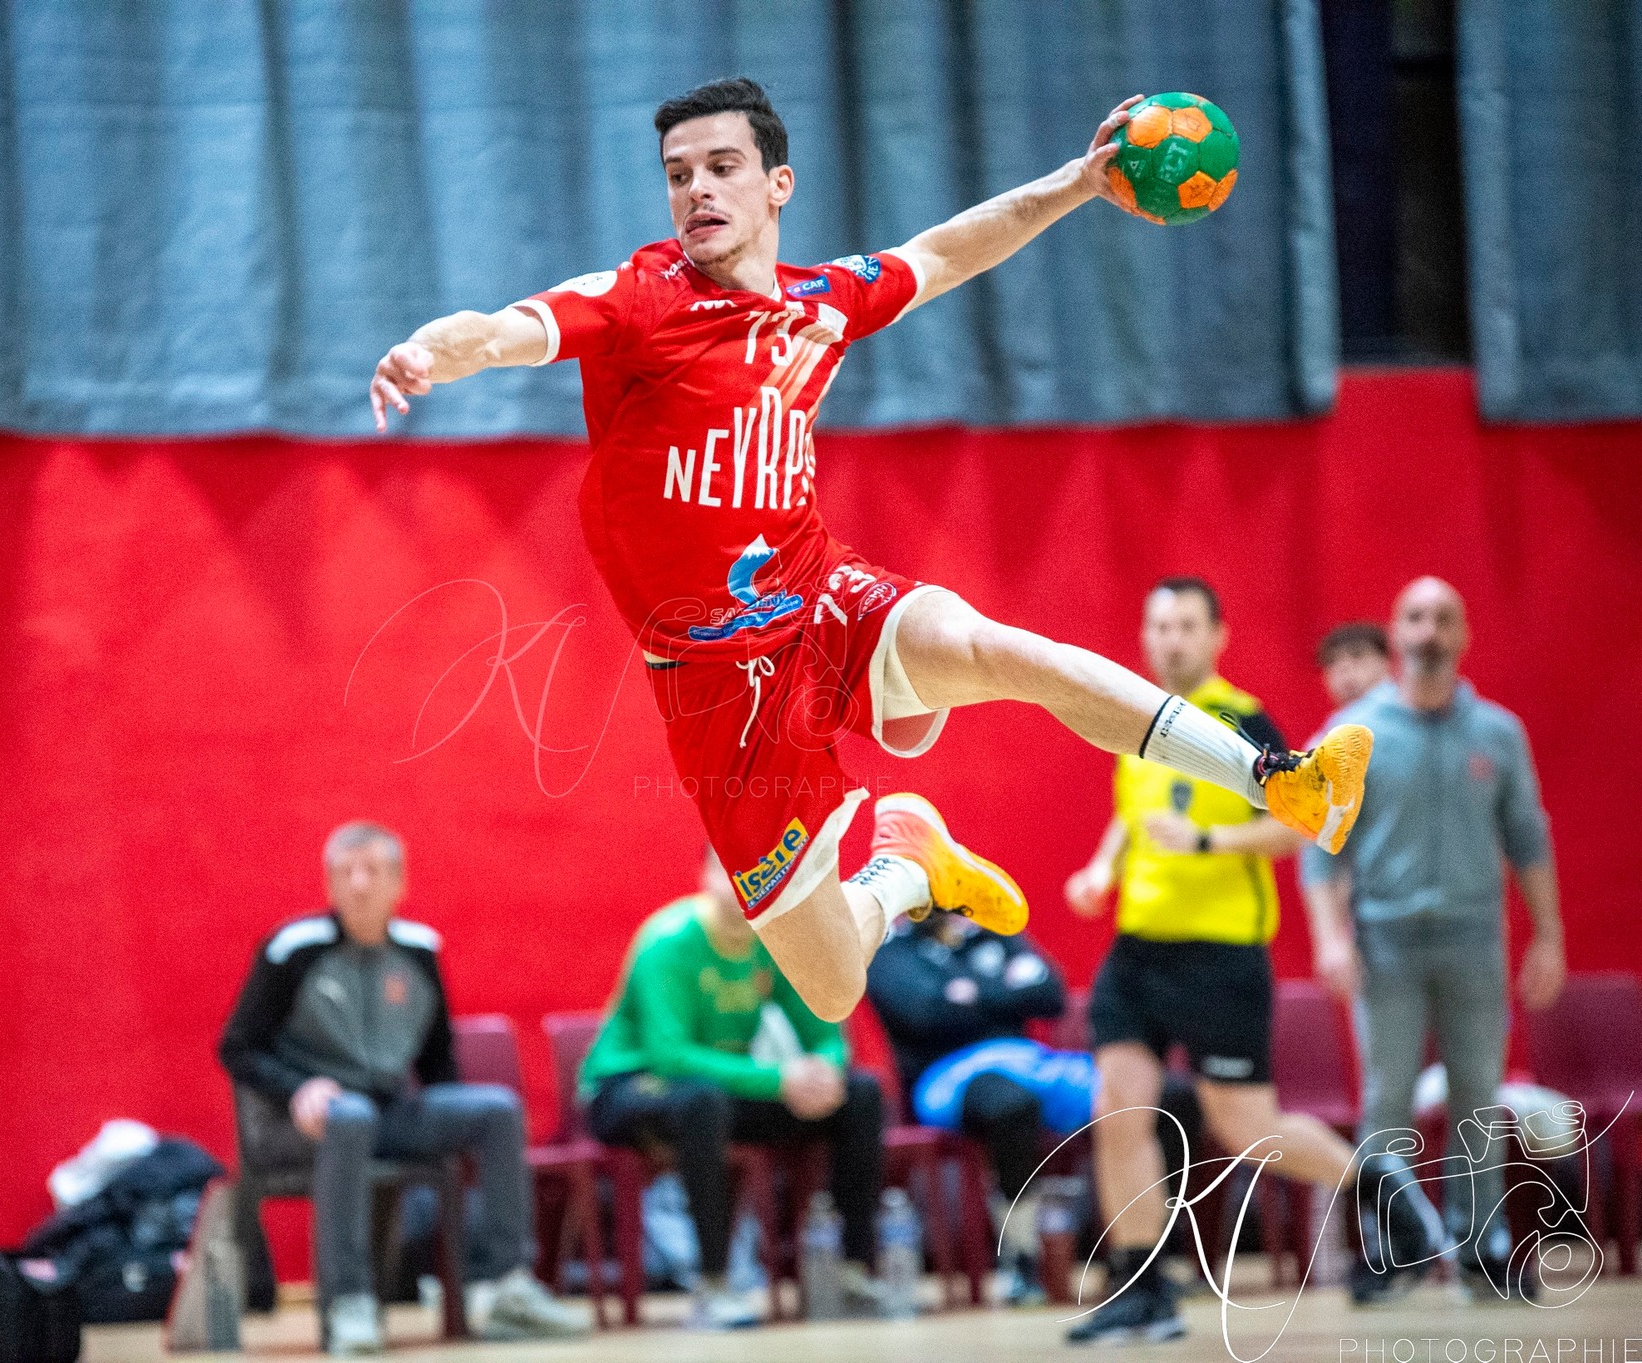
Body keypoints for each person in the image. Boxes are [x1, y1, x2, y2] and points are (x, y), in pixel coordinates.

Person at [367, 76, 1373, 1028]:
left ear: (777, 184)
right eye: (678, 173)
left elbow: (943, 253)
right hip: (718, 688)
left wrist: (1075, 183)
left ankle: (1277, 775)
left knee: (1001, 651)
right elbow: (498, 331)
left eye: (721, 166)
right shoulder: (640, 298)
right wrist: (426, 354)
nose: (697, 190)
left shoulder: (821, 301)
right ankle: (906, 866)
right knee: (834, 987)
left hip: (818, 595)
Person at [1062, 579, 1439, 1343]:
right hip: (1137, 951)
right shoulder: (1133, 715)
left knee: (1246, 1127)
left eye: (1185, 625)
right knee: (1117, 1106)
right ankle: (1141, 1285)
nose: (1170, 639)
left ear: (1216, 636)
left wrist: (1209, 840)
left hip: (1222, 956)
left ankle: (1376, 1187)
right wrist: (1103, 867)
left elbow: (1297, 824)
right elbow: (1135, 814)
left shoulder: (1241, 722)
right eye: (1158, 625)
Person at [218, 822, 590, 1354]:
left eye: (371, 870)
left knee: (496, 1109)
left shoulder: (419, 951)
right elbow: (238, 1047)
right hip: (301, 1123)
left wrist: (446, 1123)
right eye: (345, 872)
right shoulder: (292, 949)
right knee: (350, 1116)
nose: (358, 884)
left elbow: (438, 1061)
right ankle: (349, 1303)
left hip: (388, 1114)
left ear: (399, 882)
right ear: (329, 883)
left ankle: (507, 1288)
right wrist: (298, 1089)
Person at [1302, 577, 1563, 1299]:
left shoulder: (1498, 733)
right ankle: (1393, 1246)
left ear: (1464, 634)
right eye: (1416, 617)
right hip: (1384, 942)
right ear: (1396, 631)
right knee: (1386, 1096)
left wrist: (1548, 934)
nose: (1430, 631)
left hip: (1475, 942)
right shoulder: (1354, 734)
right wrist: (1329, 938)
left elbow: (1528, 837)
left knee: (1477, 1095)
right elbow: (1320, 847)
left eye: (1444, 618)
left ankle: (1482, 1247)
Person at [577, 848, 889, 1328]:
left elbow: (827, 1028)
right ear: (704, 874)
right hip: (628, 1088)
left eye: (758, 870)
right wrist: (780, 1079)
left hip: (720, 1092)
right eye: (731, 868)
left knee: (860, 1094)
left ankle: (852, 1273)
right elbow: (670, 1056)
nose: (745, 881)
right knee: (702, 1102)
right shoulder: (668, 940)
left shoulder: (774, 940)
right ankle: (714, 1285)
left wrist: (824, 1070)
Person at [866, 915, 1080, 1304]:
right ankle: (1021, 1256)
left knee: (1146, 1096)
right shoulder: (891, 950)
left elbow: (1051, 995)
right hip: (946, 1075)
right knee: (1012, 1106)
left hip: (1028, 1061)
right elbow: (924, 1013)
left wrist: (971, 992)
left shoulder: (997, 934)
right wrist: (1006, 989)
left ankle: (1144, 1255)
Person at [1318, 622, 1391, 709]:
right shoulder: (1343, 717)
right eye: (1331, 661)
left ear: (1387, 661)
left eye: (1357, 655)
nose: (1343, 668)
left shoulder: (1403, 709)